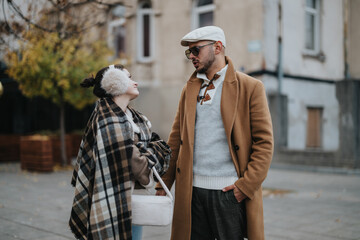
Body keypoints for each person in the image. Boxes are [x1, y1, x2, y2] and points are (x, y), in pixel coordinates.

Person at [155, 26, 274, 240]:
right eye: (188, 52)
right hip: (192, 193)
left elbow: (264, 143)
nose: (191, 56)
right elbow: (175, 139)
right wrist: (164, 182)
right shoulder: (189, 88)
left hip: (228, 193)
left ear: (217, 47)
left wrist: (245, 187)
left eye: (196, 50)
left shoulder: (250, 87)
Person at [69, 64, 171, 240]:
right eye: (129, 78)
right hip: (114, 198)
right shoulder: (107, 120)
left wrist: (145, 151)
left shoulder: (135, 118)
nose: (136, 82)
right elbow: (137, 164)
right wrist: (151, 153)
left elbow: (161, 146)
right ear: (115, 83)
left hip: (135, 198)